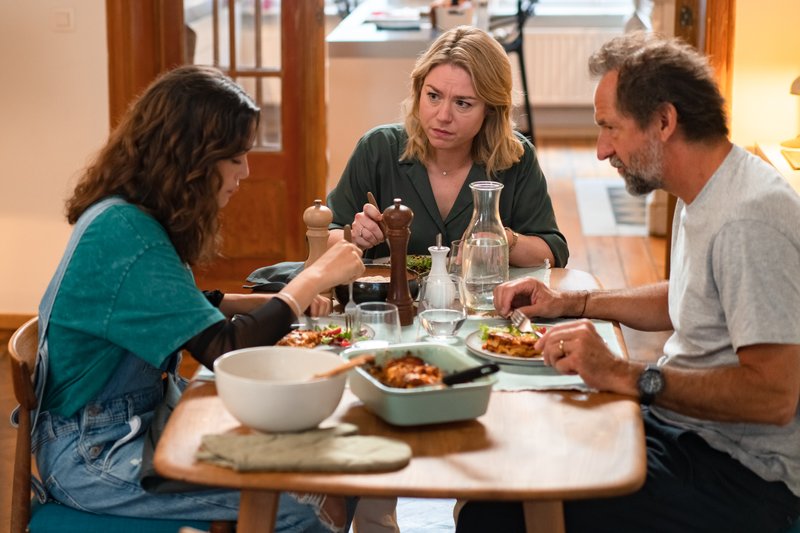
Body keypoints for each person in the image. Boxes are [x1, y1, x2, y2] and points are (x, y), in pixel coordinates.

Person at [457, 32, 800, 532]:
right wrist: (569, 303)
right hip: (685, 433)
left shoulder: (748, 220)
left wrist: (627, 375)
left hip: (740, 476)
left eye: (610, 128)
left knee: (495, 516)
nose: (600, 150)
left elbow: (774, 397)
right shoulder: (705, 190)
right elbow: (686, 295)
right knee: (510, 459)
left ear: (664, 121)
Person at [33, 65, 365, 531]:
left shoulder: (127, 216)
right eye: (236, 158)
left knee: (321, 459)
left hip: (133, 424)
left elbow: (189, 306)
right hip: (95, 455)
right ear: (192, 158)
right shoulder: (127, 234)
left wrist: (276, 297)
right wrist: (312, 278)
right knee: (297, 504)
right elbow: (225, 349)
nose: (246, 173)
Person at [326, 25, 568, 268]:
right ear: (419, 91)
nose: (443, 115)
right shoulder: (378, 148)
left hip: (480, 303)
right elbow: (324, 235)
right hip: (393, 303)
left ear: (491, 110)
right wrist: (353, 237)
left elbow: (552, 254)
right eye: (433, 96)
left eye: (462, 103)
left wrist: (507, 240)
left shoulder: (517, 157)